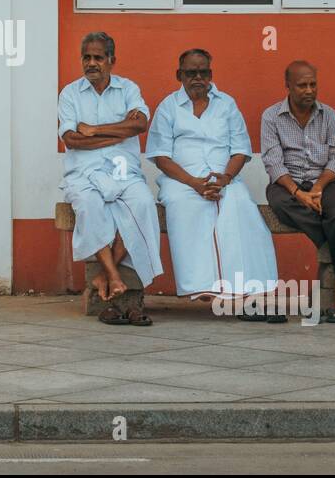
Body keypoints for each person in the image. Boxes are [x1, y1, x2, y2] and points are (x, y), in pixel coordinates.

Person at [147, 48, 281, 321]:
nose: (198, 78)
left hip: (225, 179)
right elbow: (160, 156)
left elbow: (241, 150)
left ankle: (245, 293)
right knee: (185, 205)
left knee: (239, 205)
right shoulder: (168, 107)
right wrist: (194, 183)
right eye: (190, 73)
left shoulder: (227, 104)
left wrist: (226, 178)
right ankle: (201, 285)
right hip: (181, 180)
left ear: (211, 74)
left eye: (203, 72)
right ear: (179, 75)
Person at [57, 32, 164, 325]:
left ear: (111, 61)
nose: (92, 63)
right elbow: (72, 139)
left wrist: (93, 130)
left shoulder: (128, 89)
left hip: (124, 171)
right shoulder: (70, 94)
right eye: (87, 58)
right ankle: (114, 277)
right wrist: (117, 131)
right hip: (84, 173)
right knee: (90, 205)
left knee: (143, 203)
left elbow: (140, 124)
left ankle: (104, 276)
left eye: (98, 57)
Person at [260, 60, 335, 323]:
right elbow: (273, 163)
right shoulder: (271, 116)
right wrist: (299, 193)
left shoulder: (328, 115)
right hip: (287, 182)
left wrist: (317, 188)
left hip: (323, 181)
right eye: (302, 85)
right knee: (282, 204)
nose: (309, 90)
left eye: (313, 84)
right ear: (288, 86)